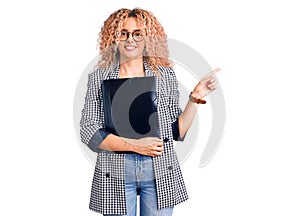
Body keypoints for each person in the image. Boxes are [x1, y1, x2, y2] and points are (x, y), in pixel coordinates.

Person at [80, 8, 217, 216]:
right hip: (116, 170)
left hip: (159, 170)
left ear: (147, 38)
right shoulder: (99, 78)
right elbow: (89, 131)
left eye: (137, 33)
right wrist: (135, 145)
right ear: (114, 37)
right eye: (123, 33)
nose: (130, 39)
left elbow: (176, 131)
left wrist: (195, 98)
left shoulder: (164, 76)